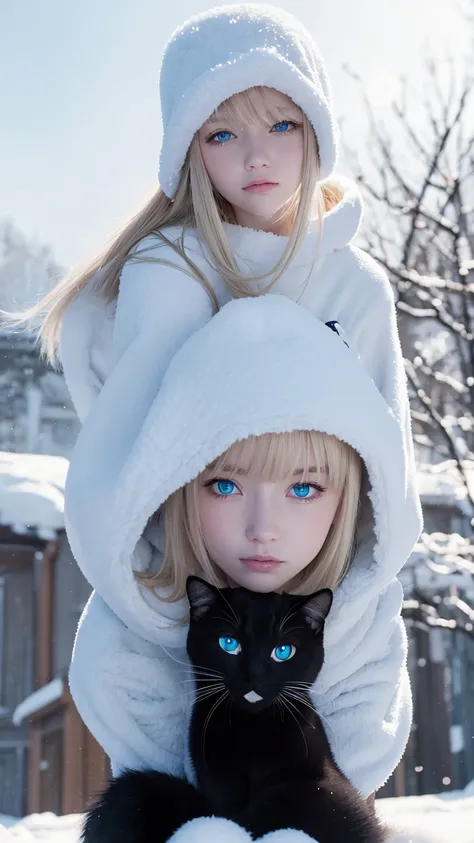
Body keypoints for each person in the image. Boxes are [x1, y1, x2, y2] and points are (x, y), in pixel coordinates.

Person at [66, 296, 420, 841]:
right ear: (175, 484)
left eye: (303, 488)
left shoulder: (363, 643)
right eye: (225, 484)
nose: (263, 528)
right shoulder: (128, 644)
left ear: (354, 497)